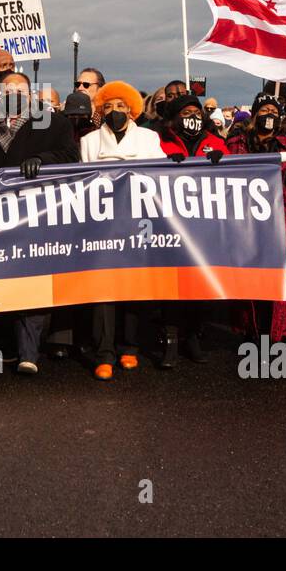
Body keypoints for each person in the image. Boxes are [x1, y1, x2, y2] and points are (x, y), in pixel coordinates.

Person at [0, 72, 79, 373]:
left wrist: (43, 159)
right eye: (8, 90)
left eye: (20, 90)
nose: (14, 95)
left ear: (31, 95)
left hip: (38, 215)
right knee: (1, 281)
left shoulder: (53, 122)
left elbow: (72, 155)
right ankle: (4, 345)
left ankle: (28, 352)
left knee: (33, 280)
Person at [79, 81, 165, 379]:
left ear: (131, 109)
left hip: (138, 221)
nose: (115, 111)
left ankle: (130, 347)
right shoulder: (89, 141)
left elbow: (160, 177)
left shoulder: (149, 137)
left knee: (134, 287)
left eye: (121, 105)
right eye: (109, 106)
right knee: (104, 288)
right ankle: (104, 353)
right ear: (101, 111)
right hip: (103, 225)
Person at [225, 93, 286, 347]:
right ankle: (249, 331)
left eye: (273, 110)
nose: (268, 116)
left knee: (282, 281)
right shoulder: (236, 144)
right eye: (263, 111)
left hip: (282, 224)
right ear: (254, 115)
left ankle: (280, 334)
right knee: (249, 279)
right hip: (247, 224)